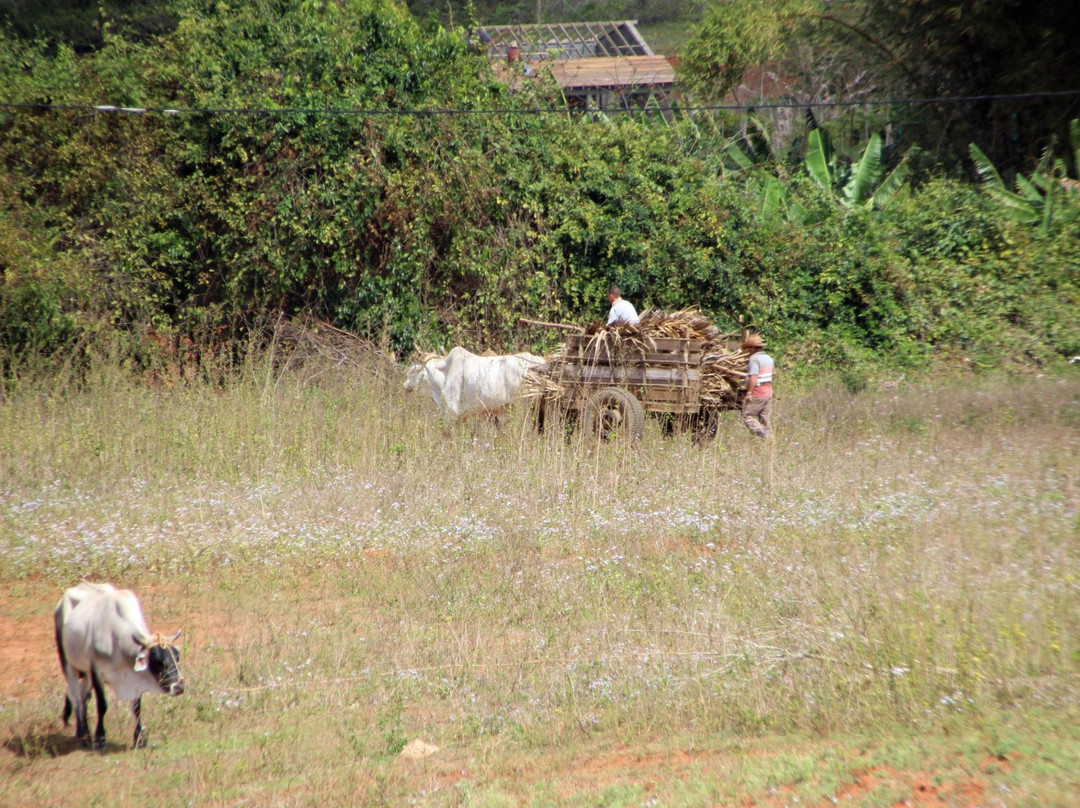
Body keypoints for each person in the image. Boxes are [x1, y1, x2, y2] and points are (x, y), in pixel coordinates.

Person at [741, 333, 774, 438]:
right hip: (768, 392)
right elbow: (774, 375)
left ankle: (762, 433)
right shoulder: (769, 358)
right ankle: (770, 441)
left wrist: (749, 393)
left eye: (749, 348)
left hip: (758, 391)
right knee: (765, 419)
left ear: (753, 347)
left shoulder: (754, 359)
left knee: (747, 416)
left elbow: (754, 377)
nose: (748, 351)